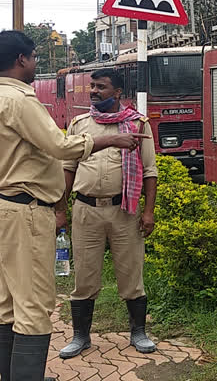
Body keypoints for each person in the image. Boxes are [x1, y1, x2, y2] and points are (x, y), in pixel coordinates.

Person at [0, 31, 145, 381]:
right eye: (34, 58)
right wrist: (109, 140)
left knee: (6, 303)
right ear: (22, 59)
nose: (36, 64)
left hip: (6, 208)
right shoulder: (20, 100)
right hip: (26, 210)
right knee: (34, 304)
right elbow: (60, 148)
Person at [58, 68, 159, 359]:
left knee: (131, 273)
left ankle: (138, 332)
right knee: (84, 276)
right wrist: (60, 210)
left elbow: (150, 171)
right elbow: (68, 169)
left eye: (101, 87)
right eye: (92, 86)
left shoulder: (137, 125)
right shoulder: (79, 124)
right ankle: (80, 337)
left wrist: (148, 212)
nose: (93, 91)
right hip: (85, 210)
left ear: (117, 93)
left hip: (124, 211)